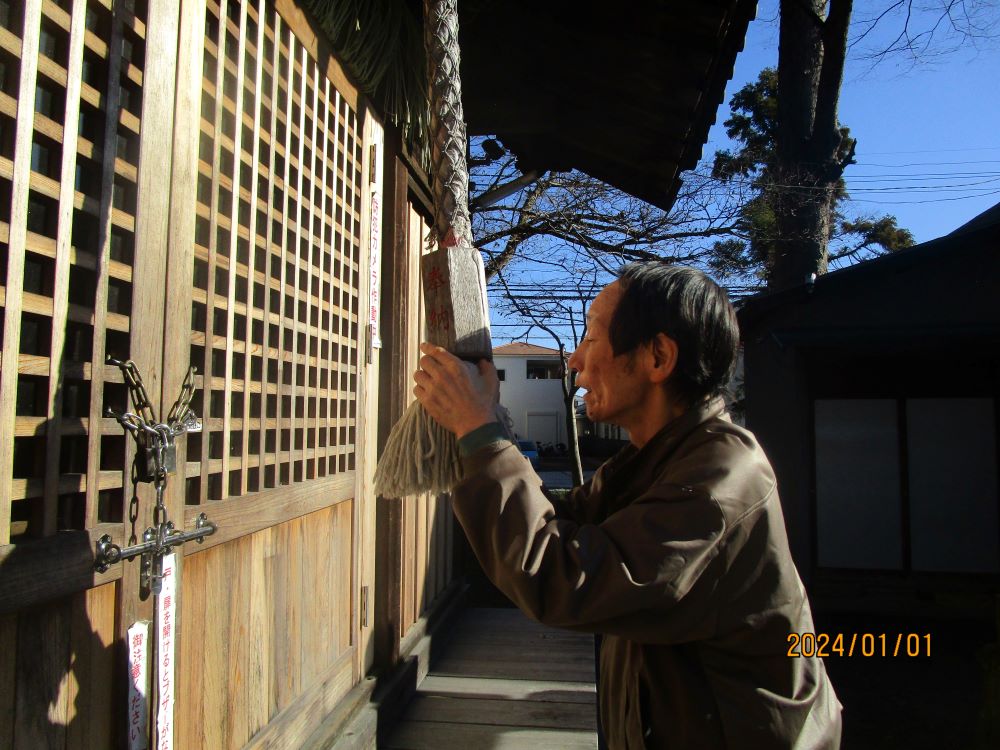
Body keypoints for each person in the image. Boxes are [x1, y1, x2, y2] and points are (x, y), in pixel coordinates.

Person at [413, 262, 841, 749]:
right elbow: (560, 519)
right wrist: (483, 431)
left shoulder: (719, 479)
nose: (574, 361)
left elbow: (563, 577)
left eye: (592, 339)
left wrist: (481, 432)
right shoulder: (658, 458)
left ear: (657, 356)